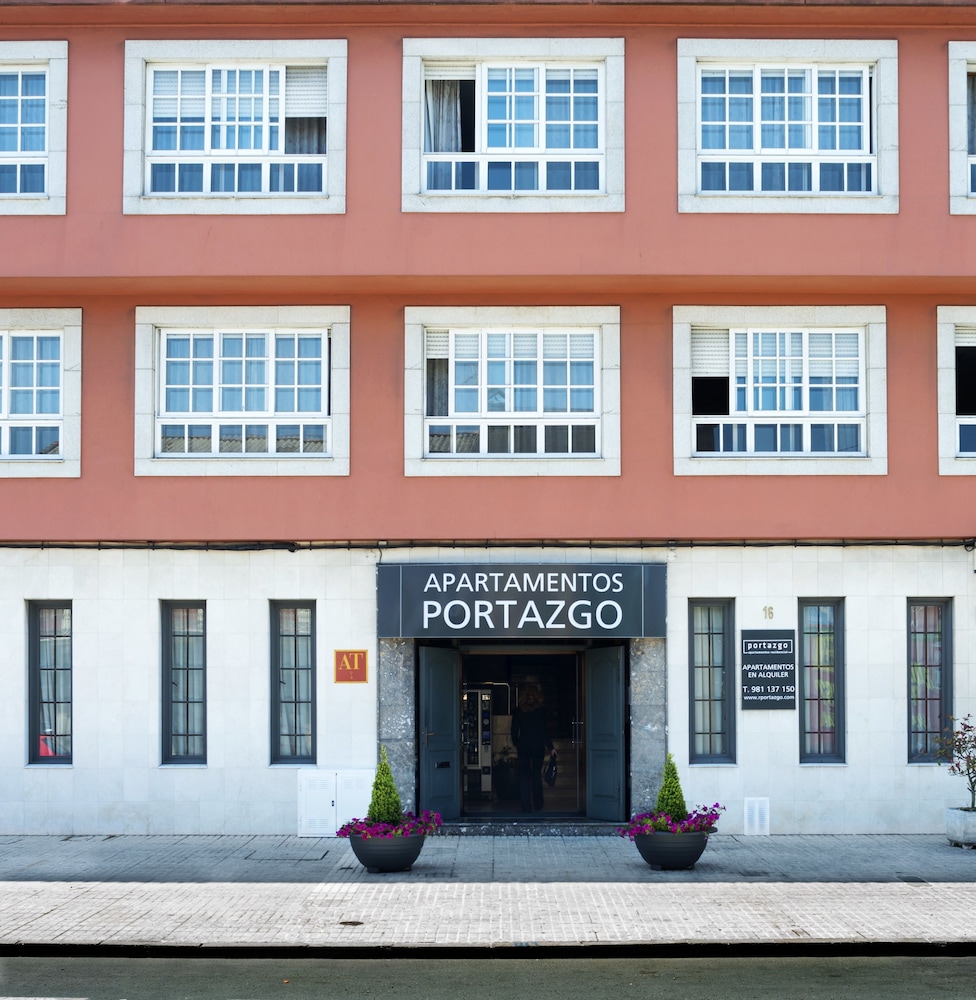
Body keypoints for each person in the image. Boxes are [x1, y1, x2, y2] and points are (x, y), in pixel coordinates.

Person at [510, 683, 554, 813]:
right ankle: (538, 803)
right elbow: (543, 731)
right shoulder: (540, 711)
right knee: (536, 775)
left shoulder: (518, 711)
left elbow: (514, 730)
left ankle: (526, 805)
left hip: (523, 745)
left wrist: (516, 742)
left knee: (524, 776)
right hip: (537, 745)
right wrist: (550, 747)